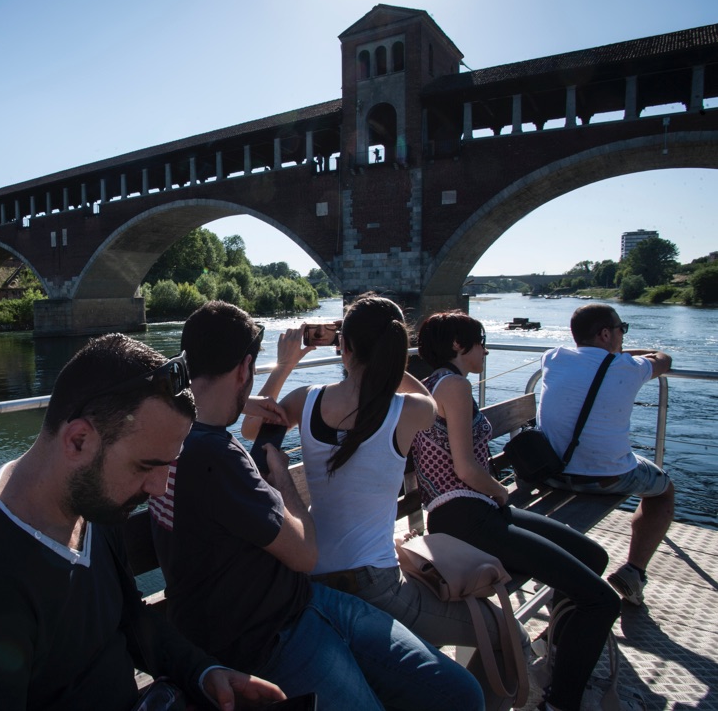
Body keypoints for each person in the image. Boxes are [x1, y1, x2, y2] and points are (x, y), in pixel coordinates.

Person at [0, 333, 286, 711]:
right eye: (146, 466)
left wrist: (204, 673)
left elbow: (128, 618)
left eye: (170, 464)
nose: (159, 488)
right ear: (78, 440)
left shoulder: (94, 505)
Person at [149, 300, 484, 711]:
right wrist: (284, 482)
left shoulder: (176, 438)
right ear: (244, 369)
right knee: (462, 694)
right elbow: (305, 554)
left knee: (461, 693)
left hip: (305, 598)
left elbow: (248, 431)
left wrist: (267, 382)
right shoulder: (215, 456)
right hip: (278, 631)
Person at [241, 294, 525, 709]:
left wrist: (286, 363)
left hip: (313, 578)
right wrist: (389, 362)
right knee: (508, 634)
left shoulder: (306, 399)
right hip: (376, 586)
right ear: (396, 348)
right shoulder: (413, 409)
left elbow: (251, 427)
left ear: (344, 345)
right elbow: (425, 399)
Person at [412, 311, 621, 711]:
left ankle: (559, 654)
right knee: (602, 601)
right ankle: (560, 701)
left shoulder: (435, 383)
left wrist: (494, 498)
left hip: (472, 510)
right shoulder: (453, 385)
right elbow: (465, 469)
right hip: (464, 515)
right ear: (457, 345)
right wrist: (501, 493)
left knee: (593, 557)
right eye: (481, 343)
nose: (486, 351)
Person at [538, 303, 675, 606]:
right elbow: (663, 360)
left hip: (550, 471)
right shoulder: (628, 367)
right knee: (664, 490)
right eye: (620, 329)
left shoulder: (553, 357)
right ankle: (634, 572)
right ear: (604, 334)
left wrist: (617, 350)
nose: (623, 335)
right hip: (607, 476)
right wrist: (635, 352)